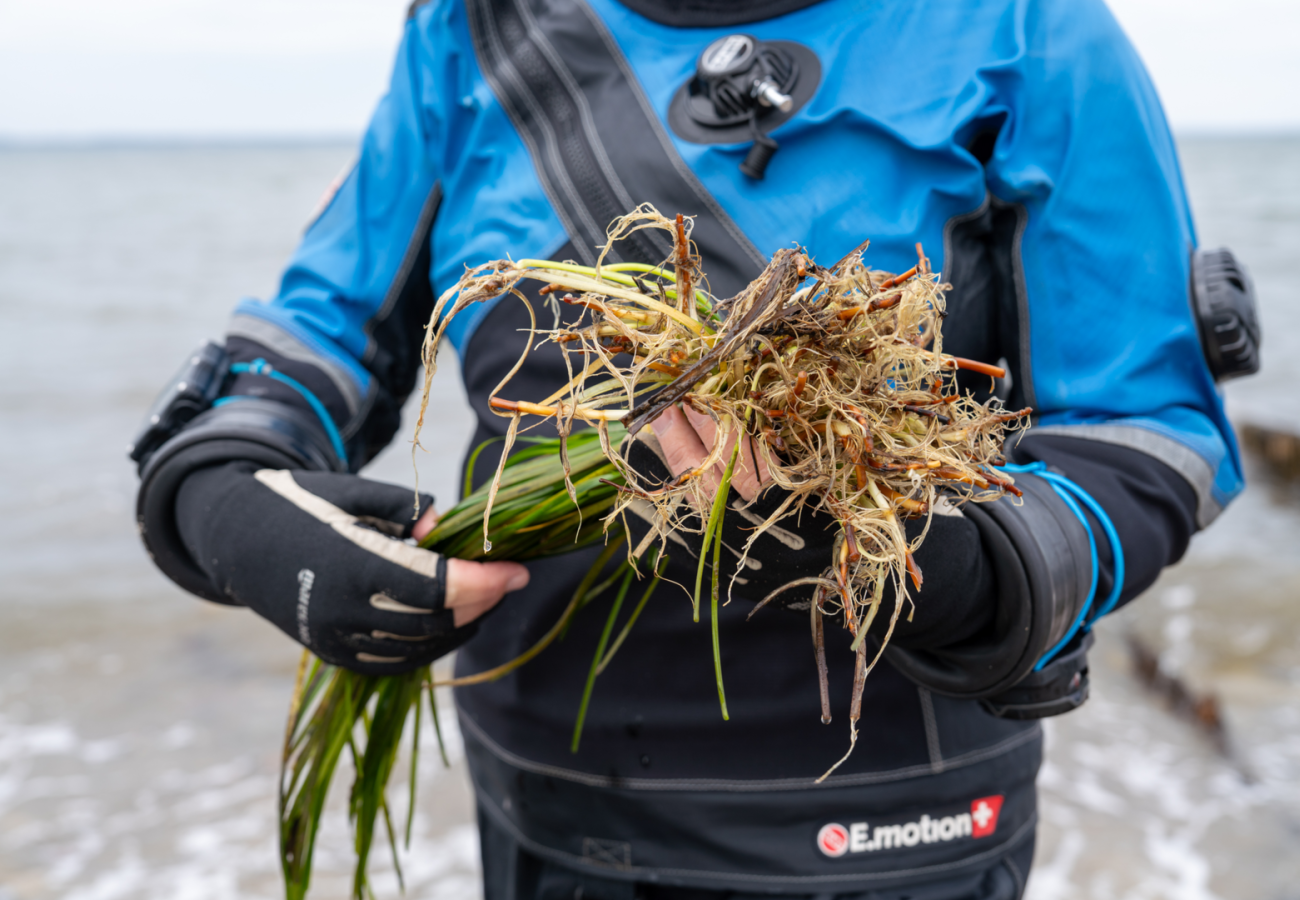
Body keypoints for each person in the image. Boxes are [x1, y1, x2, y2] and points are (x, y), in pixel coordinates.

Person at [132, 0, 1250, 896]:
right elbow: (319, 332)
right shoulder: (472, 29)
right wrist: (224, 495)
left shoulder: (1029, 29)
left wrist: (954, 563)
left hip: (891, 824)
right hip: (545, 800)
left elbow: (1145, 433)